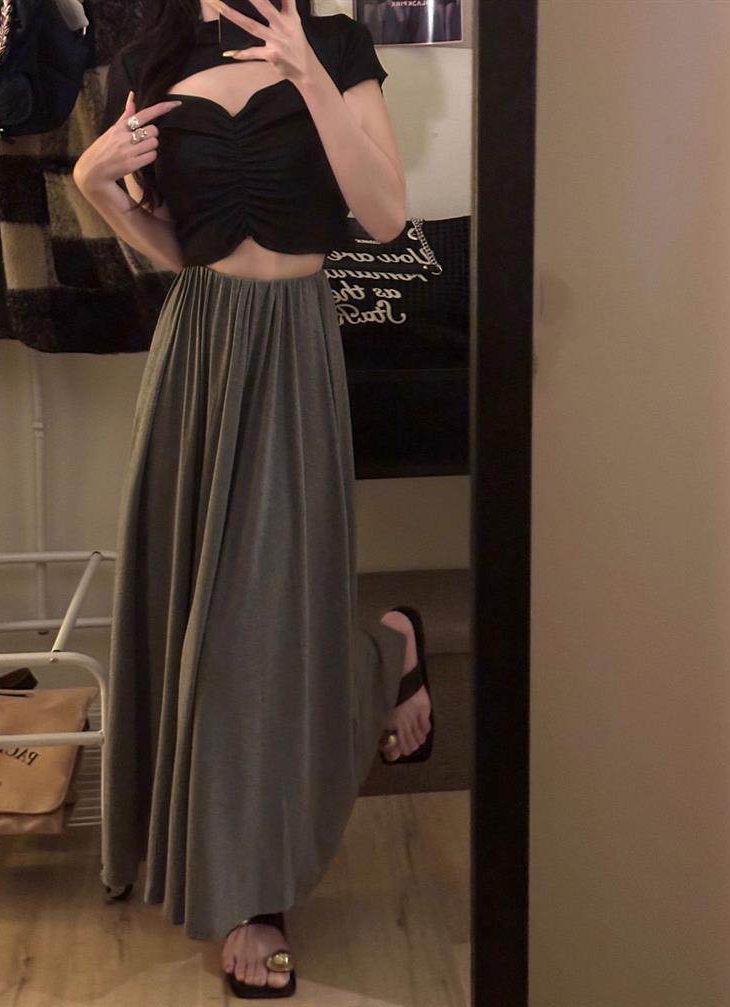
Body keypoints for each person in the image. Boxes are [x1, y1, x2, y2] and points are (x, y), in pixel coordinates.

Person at [73, 0, 434, 997]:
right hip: (198, 357)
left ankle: (257, 886)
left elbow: (383, 216)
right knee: (203, 615)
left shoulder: (337, 45)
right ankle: (386, 654)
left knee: (266, 624)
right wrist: (93, 185)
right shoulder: (146, 62)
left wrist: (309, 76)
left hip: (291, 349)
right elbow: (172, 245)